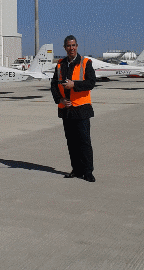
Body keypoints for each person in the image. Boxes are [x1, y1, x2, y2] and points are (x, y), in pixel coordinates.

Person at [51, 35, 97, 182]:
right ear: (65, 47)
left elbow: (91, 82)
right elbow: (54, 85)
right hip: (66, 110)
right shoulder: (60, 64)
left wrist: (74, 85)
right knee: (71, 142)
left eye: (73, 45)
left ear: (77, 46)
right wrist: (60, 100)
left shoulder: (86, 62)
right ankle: (76, 170)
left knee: (84, 142)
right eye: (68, 46)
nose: (71, 48)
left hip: (81, 109)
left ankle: (88, 172)